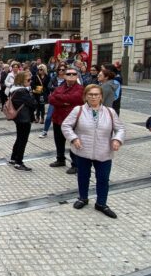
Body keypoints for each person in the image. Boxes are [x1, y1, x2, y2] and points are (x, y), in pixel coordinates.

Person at [61, 84, 125, 219]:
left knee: (103, 179)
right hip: (83, 150)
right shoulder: (78, 110)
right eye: (90, 94)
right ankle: (82, 198)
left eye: (96, 94)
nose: (93, 97)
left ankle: (101, 203)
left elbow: (120, 129)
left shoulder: (110, 112)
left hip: (104, 152)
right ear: (85, 96)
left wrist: (117, 140)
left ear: (101, 96)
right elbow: (66, 126)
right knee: (83, 176)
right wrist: (74, 138)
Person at [48, 67, 84, 174]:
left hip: (73, 121)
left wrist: (60, 98)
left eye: (74, 74)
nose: (71, 76)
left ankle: (75, 164)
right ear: (64, 76)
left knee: (73, 141)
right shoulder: (60, 87)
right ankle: (60, 159)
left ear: (77, 76)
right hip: (58, 118)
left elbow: (76, 98)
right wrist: (65, 102)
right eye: (69, 74)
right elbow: (51, 99)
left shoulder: (81, 88)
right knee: (59, 140)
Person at [8, 72, 38, 171]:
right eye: (28, 80)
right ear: (21, 80)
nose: (30, 82)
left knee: (19, 138)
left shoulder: (13, 90)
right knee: (23, 140)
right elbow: (33, 104)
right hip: (24, 119)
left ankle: (13, 158)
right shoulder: (22, 91)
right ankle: (19, 162)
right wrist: (32, 94)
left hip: (19, 118)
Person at [39, 62, 67, 138]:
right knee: (49, 116)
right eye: (59, 69)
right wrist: (59, 89)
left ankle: (64, 132)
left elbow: (67, 89)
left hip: (63, 101)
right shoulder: (54, 77)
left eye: (63, 70)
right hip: (54, 99)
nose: (61, 71)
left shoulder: (67, 79)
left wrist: (55, 88)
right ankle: (45, 131)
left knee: (63, 117)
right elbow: (49, 86)